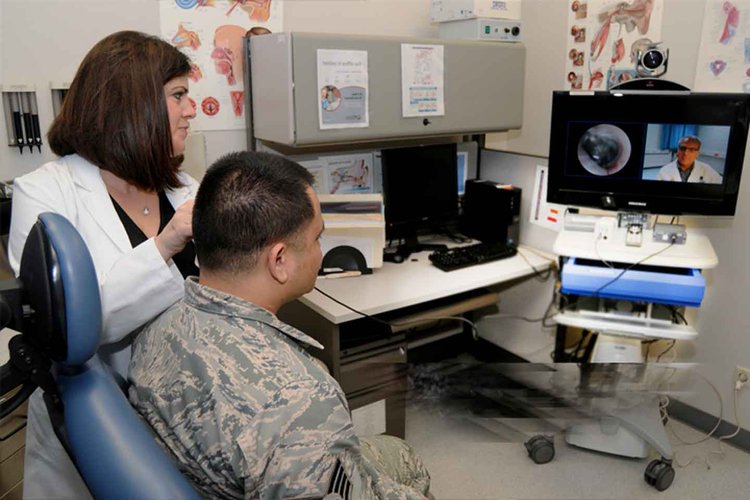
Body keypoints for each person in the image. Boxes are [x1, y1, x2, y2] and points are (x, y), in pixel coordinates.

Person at [129, 151, 432, 499]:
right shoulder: (300, 401)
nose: (321, 252)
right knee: (410, 469)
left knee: (398, 451)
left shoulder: (157, 323)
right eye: (317, 238)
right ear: (280, 260)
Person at [8, 31, 199, 499]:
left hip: (188, 414)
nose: (192, 110)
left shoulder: (184, 188)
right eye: (178, 95)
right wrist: (168, 242)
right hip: (100, 419)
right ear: (133, 105)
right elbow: (75, 327)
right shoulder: (45, 195)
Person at [656, 135, 723, 183]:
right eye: (682, 148)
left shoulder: (707, 169)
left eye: (691, 150)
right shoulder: (664, 171)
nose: (685, 153)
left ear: (697, 154)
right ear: (677, 151)